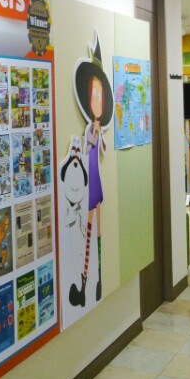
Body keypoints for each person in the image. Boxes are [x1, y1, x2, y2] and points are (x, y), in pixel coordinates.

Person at [71, 32, 112, 305]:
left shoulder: (97, 127)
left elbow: (103, 147)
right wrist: (94, 137)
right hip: (90, 180)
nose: (98, 100)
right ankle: (86, 279)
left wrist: (101, 139)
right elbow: (89, 149)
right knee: (88, 227)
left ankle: (97, 278)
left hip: (96, 180)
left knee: (97, 228)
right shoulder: (89, 129)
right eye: (94, 94)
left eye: (101, 95)